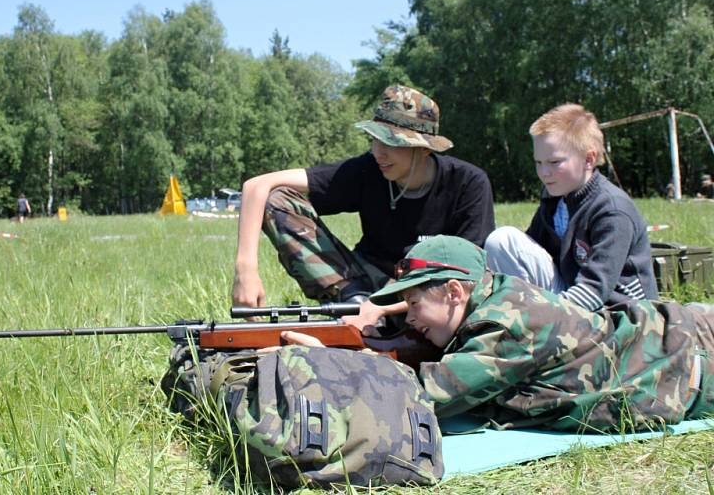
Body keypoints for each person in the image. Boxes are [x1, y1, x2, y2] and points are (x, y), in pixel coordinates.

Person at [283, 235, 713, 432]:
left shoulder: (507, 325)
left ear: (454, 291)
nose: (409, 316)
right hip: (674, 333)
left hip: (691, 364)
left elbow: (424, 395)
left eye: (414, 304)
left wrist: (333, 359)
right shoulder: (491, 294)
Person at [231, 85, 495, 319]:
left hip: (431, 296)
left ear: (425, 148)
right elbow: (258, 187)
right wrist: (246, 271)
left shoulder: (468, 184)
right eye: (375, 139)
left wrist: (381, 309)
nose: (378, 152)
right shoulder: (368, 170)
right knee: (278, 199)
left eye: (392, 142)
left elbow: (469, 277)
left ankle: (373, 317)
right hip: (362, 284)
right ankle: (352, 304)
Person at [484, 104, 657, 311]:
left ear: (589, 159)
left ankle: (533, 324)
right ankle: (519, 317)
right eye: (538, 162)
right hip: (571, 297)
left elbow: (595, 288)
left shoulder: (612, 210)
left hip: (620, 314)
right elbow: (533, 253)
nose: (543, 172)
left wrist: (543, 316)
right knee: (502, 241)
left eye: (554, 162)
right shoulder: (555, 198)